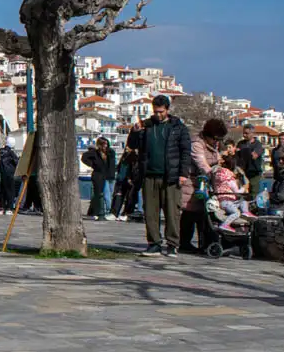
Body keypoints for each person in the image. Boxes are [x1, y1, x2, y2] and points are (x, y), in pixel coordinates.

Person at [127, 95, 192, 258]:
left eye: (161, 112)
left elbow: (185, 152)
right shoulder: (146, 127)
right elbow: (132, 145)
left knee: (172, 212)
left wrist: (183, 173)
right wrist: (134, 132)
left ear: (167, 110)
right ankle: (154, 243)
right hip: (149, 175)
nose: (158, 115)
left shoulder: (178, 128)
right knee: (150, 212)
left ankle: (172, 244)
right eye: (155, 111)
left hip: (170, 175)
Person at [179, 118, 226, 252]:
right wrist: (215, 172)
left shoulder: (213, 146)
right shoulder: (197, 144)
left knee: (204, 215)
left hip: (205, 183)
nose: (217, 142)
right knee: (190, 213)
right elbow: (202, 164)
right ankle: (185, 243)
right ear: (208, 136)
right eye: (216, 139)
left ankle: (205, 243)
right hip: (193, 183)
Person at [213, 155, 257, 232]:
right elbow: (237, 192)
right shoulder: (229, 177)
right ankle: (225, 225)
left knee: (242, 201)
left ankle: (246, 212)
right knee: (237, 213)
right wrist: (244, 188)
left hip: (221, 200)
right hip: (227, 201)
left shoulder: (217, 174)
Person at [81, 137, 117, 221]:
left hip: (110, 176)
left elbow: (112, 164)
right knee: (105, 195)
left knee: (108, 194)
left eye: (106, 144)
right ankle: (107, 211)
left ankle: (97, 211)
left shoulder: (110, 152)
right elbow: (84, 157)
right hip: (102, 176)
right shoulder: (95, 153)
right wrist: (92, 164)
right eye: (104, 144)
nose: (105, 146)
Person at [235, 124, 265, 200]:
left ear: (252, 133)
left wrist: (243, 151)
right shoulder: (240, 143)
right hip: (242, 172)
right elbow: (237, 156)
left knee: (253, 194)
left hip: (254, 173)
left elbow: (254, 156)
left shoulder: (257, 144)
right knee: (242, 193)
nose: (244, 135)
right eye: (243, 133)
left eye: (246, 133)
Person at [0, 137, 19, 215]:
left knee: (2, 191)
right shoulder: (11, 153)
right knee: (10, 191)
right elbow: (17, 162)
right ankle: (9, 208)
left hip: (1, 174)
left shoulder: (0, 151)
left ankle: (1, 207)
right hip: (9, 174)